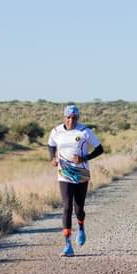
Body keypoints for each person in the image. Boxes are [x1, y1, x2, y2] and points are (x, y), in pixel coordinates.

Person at [48, 105, 105, 257]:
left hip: (81, 173)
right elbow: (51, 144)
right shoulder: (56, 131)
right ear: (64, 117)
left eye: (74, 118)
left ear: (78, 118)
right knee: (66, 207)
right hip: (64, 173)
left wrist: (84, 158)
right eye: (68, 117)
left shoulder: (85, 131)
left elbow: (100, 149)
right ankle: (67, 245)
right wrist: (52, 158)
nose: (71, 120)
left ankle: (81, 227)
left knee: (78, 208)